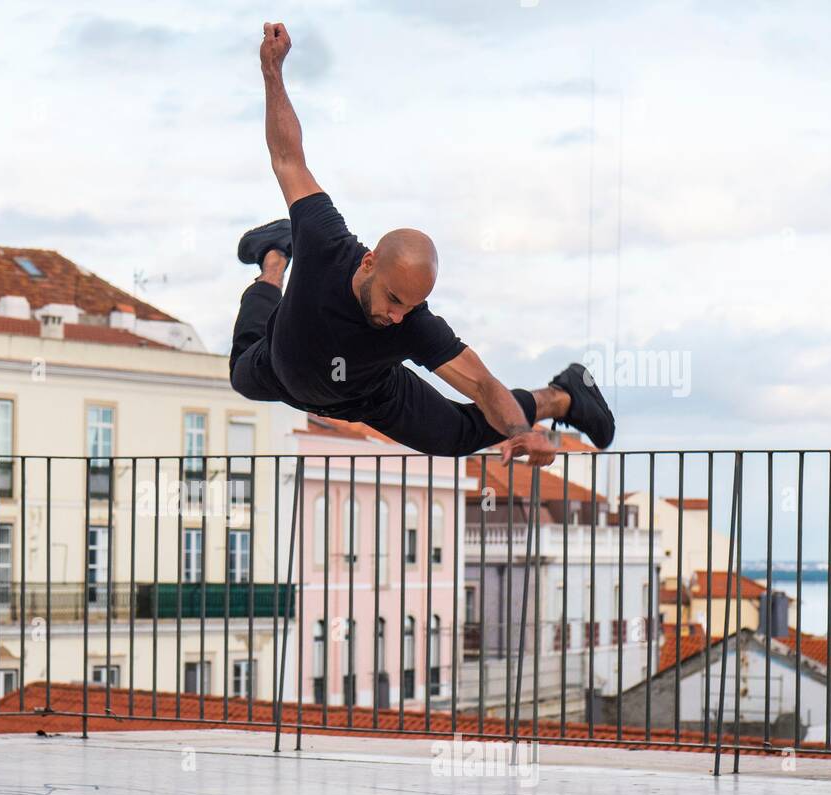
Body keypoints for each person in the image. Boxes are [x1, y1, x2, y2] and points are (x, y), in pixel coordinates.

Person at [228, 22, 615, 467]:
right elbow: (287, 157)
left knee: (455, 434)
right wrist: (272, 71)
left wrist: (522, 432)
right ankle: (275, 259)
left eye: (410, 307)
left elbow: (483, 386)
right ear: (369, 263)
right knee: (240, 372)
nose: (397, 317)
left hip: (367, 395)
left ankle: (564, 396)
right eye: (394, 300)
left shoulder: (414, 323)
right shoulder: (324, 240)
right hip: (279, 368)